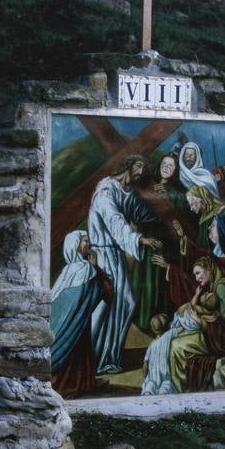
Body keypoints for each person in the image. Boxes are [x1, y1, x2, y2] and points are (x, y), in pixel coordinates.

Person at [88, 154, 161, 373]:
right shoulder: (106, 189)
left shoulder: (130, 194)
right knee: (107, 304)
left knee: (126, 302)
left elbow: (143, 214)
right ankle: (95, 358)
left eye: (144, 168)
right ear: (128, 166)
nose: (141, 171)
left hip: (116, 255)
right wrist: (137, 238)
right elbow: (114, 220)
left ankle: (110, 357)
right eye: (139, 165)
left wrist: (162, 200)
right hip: (102, 254)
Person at [141, 256, 225, 395]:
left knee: (176, 347)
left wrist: (200, 321)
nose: (196, 278)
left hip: (220, 340)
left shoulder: (222, 288)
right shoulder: (215, 285)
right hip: (211, 333)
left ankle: (177, 389)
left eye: (198, 273)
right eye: (195, 274)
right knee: (177, 338)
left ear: (209, 269)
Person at [50, 231, 112, 398]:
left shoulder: (67, 271)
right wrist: (96, 268)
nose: (88, 244)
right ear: (76, 245)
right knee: (75, 353)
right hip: (77, 324)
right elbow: (105, 292)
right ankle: (76, 384)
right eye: (85, 241)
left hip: (73, 323)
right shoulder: (85, 269)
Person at [130, 154, 189, 331]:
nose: (167, 168)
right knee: (144, 277)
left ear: (176, 171)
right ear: (159, 165)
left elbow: (182, 219)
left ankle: (160, 322)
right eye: (165, 164)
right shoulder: (148, 186)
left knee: (159, 279)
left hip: (166, 242)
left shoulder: (178, 193)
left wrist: (168, 200)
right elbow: (137, 210)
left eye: (171, 166)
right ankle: (142, 318)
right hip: (148, 237)